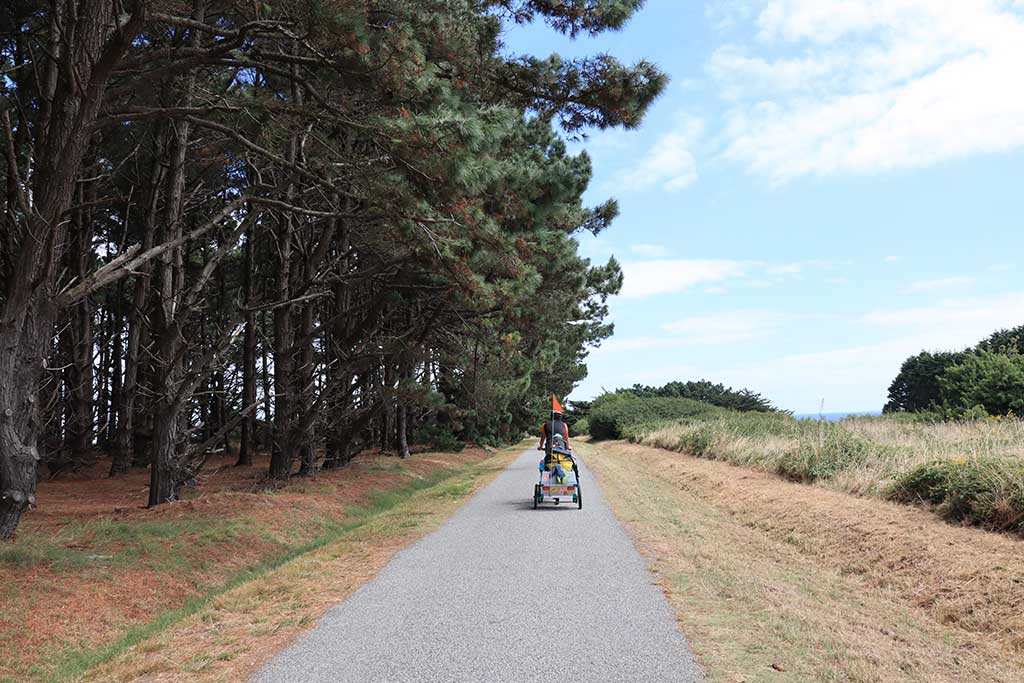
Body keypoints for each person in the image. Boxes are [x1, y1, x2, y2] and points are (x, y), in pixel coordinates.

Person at [538, 411, 573, 483]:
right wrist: (568, 446)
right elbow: (566, 438)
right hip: (561, 449)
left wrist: (540, 447)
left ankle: (545, 479)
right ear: (560, 417)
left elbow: (543, 438)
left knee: (545, 464)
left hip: (549, 449)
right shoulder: (564, 425)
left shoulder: (545, 425)